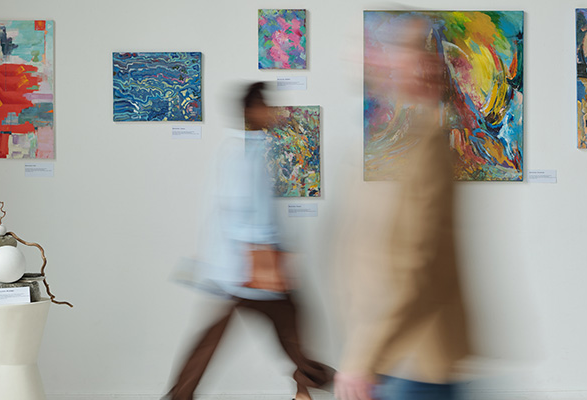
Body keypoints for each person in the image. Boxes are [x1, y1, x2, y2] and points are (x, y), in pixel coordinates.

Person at [165, 82, 334, 400]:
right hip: (252, 267)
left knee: (221, 335)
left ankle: (181, 395)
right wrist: (270, 260)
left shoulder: (245, 147)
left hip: (241, 268)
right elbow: (245, 209)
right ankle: (320, 382)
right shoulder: (245, 151)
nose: (271, 112)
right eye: (265, 105)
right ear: (251, 110)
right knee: (290, 324)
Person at [335, 17, 471, 400]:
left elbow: (414, 263)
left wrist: (363, 359)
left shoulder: (421, 145)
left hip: (412, 358)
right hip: (397, 355)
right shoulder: (387, 141)